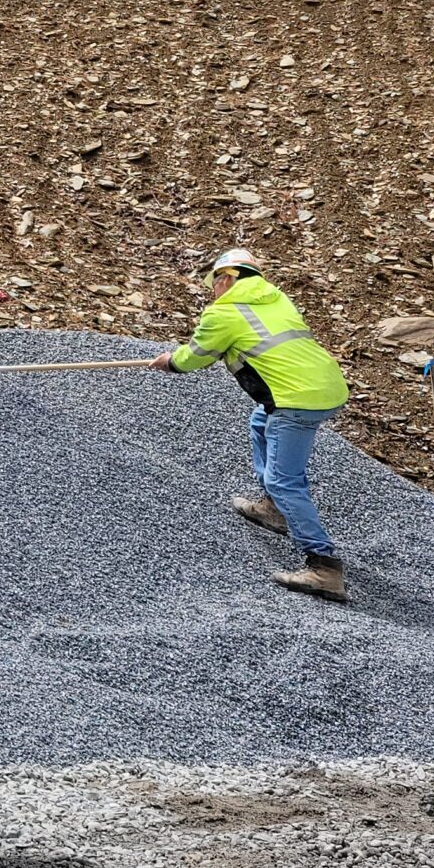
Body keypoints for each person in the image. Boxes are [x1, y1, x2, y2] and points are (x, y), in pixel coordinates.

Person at [153, 247, 354, 602]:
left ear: (228, 278)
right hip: (325, 388)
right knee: (260, 422)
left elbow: (194, 357)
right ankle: (273, 508)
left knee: (283, 479)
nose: (212, 291)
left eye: (214, 283)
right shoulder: (276, 301)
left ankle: (324, 565)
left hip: (296, 401)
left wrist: (171, 362)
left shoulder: (225, 313)